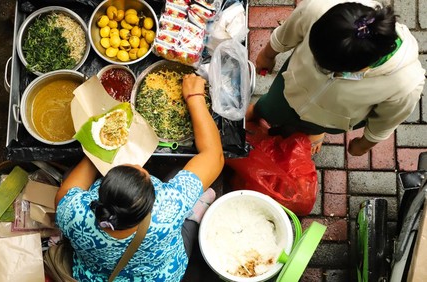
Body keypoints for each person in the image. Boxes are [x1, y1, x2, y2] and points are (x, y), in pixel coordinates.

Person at [54, 73, 224, 281]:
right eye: (144, 172)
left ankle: (193, 209)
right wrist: (195, 97)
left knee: (71, 175)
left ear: (100, 194)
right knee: (174, 174)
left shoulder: (74, 213)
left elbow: (64, 194)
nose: (137, 164)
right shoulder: (170, 207)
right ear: (153, 202)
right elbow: (214, 156)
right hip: (161, 274)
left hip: (96, 276)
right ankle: (194, 213)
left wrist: (101, 148)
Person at [245, 0, 425, 155]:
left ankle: (315, 131)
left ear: (363, 67)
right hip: (290, 87)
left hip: (333, 118)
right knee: (271, 105)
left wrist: (363, 144)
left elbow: (386, 121)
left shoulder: (406, 84)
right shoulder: (319, 7)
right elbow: (289, 31)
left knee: (315, 125)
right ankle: (260, 111)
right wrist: (267, 55)